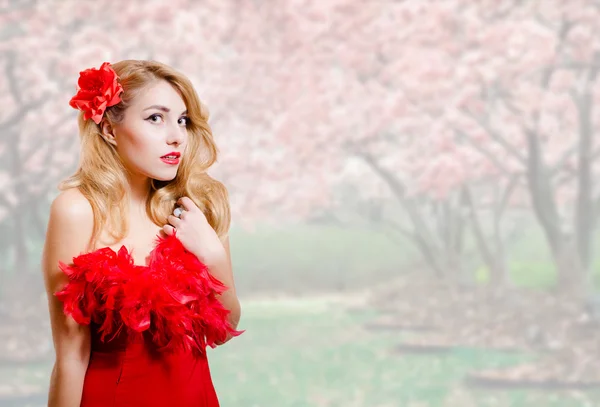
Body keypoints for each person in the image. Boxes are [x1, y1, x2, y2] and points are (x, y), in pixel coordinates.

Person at [41, 60, 244, 407]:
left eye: (182, 120)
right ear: (108, 129)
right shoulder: (77, 211)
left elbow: (224, 330)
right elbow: (71, 357)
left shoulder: (195, 208)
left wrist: (211, 253)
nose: (176, 135)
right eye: (155, 118)